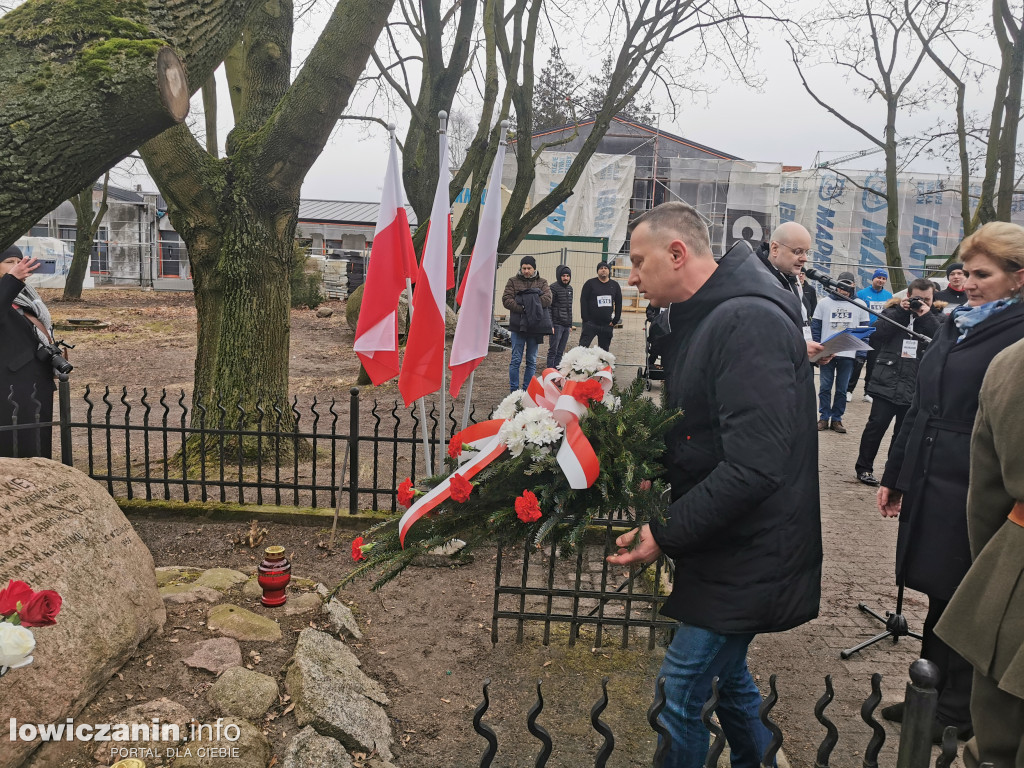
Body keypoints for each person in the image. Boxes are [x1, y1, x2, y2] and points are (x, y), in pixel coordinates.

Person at [608, 201, 822, 767]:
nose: (631, 276)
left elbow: (755, 465)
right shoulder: (707, 315)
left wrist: (665, 531)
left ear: (677, 254)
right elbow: (703, 434)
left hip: (752, 548)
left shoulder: (743, 320)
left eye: (638, 260)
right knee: (729, 684)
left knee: (679, 693)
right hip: (730, 541)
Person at [878, 221, 1024, 743]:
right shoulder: (955, 322)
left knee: (973, 591)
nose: (968, 283)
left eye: (983, 274)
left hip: (978, 476)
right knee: (940, 589)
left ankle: (960, 707)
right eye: (965, 272)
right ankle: (930, 691)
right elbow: (919, 403)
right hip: (932, 469)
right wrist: (897, 474)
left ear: (1018, 278)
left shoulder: (1018, 333)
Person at [935, 336, 1024, 768]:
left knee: (996, 742)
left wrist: (996, 575)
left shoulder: (1011, 360)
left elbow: (986, 497)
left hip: (1015, 570)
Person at [854, 279, 942, 486]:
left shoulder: (937, 318)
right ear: (907, 296)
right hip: (887, 381)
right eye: (916, 299)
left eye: (927, 299)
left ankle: (892, 473)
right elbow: (876, 334)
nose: (921, 302)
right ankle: (864, 468)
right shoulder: (894, 312)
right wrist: (902, 313)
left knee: (903, 434)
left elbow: (941, 339)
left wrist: (925, 314)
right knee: (875, 428)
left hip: (915, 386)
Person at [0, 246, 56, 458]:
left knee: (37, 439)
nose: (16, 266)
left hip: (36, 378)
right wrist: (11, 281)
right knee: (16, 442)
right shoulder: (7, 291)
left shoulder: (27, 296)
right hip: (11, 383)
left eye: (19, 261)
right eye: (9, 262)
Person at [756, 222, 828, 360]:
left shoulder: (792, 279)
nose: (805, 258)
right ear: (775, 249)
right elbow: (758, 338)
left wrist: (811, 353)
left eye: (807, 252)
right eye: (798, 251)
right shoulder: (756, 281)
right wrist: (799, 348)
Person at [811, 272, 869, 433]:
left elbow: (864, 331)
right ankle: (823, 417)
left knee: (842, 389)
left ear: (853, 286)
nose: (843, 289)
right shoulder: (824, 303)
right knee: (824, 387)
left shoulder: (859, 303)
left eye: (847, 285)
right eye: (841, 284)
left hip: (848, 353)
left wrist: (861, 354)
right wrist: (817, 347)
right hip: (826, 352)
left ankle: (837, 419)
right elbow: (816, 327)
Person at [502, 255, 552, 392]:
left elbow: (547, 299)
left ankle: (527, 390)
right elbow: (507, 299)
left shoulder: (542, 282)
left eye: (529, 268)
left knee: (531, 360)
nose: (526, 271)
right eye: (523, 268)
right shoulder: (512, 281)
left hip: (535, 327)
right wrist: (523, 308)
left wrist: (527, 303)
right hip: (517, 327)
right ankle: (514, 391)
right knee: (516, 360)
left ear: (534, 268)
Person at [848, 269, 893, 402]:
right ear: (873, 278)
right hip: (864, 332)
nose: (881, 280)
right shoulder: (862, 294)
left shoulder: (888, 295)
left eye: (884, 278)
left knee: (873, 364)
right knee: (858, 363)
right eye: (878, 277)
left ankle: (868, 392)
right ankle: (849, 390)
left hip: (879, 334)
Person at [578, 261, 621, 351]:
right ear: (597, 271)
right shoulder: (590, 284)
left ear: (609, 271)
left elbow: (618, 302)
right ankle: (579, 364)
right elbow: (583, 300)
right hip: (591, 323)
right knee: (582, 348)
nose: (603, 270)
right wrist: (585, 319)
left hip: (607, 324)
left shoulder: (615, 285)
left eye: (605, 268)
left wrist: (615, 320)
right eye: (601, 268)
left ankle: (602, 365)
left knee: (604, 351)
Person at [545, 265, 573, 369]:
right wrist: (550, 325)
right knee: (553, 350)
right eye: (563, 276)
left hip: (566, 325)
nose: (566, 278)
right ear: (559, 276)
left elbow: (570, 307)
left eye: (567, 276)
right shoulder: (553, 288)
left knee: (560, 351)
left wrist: (570, 324)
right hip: (556, 324)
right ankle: (549, 373)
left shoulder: (570, 289)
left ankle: (557, 373)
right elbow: (549, 307)